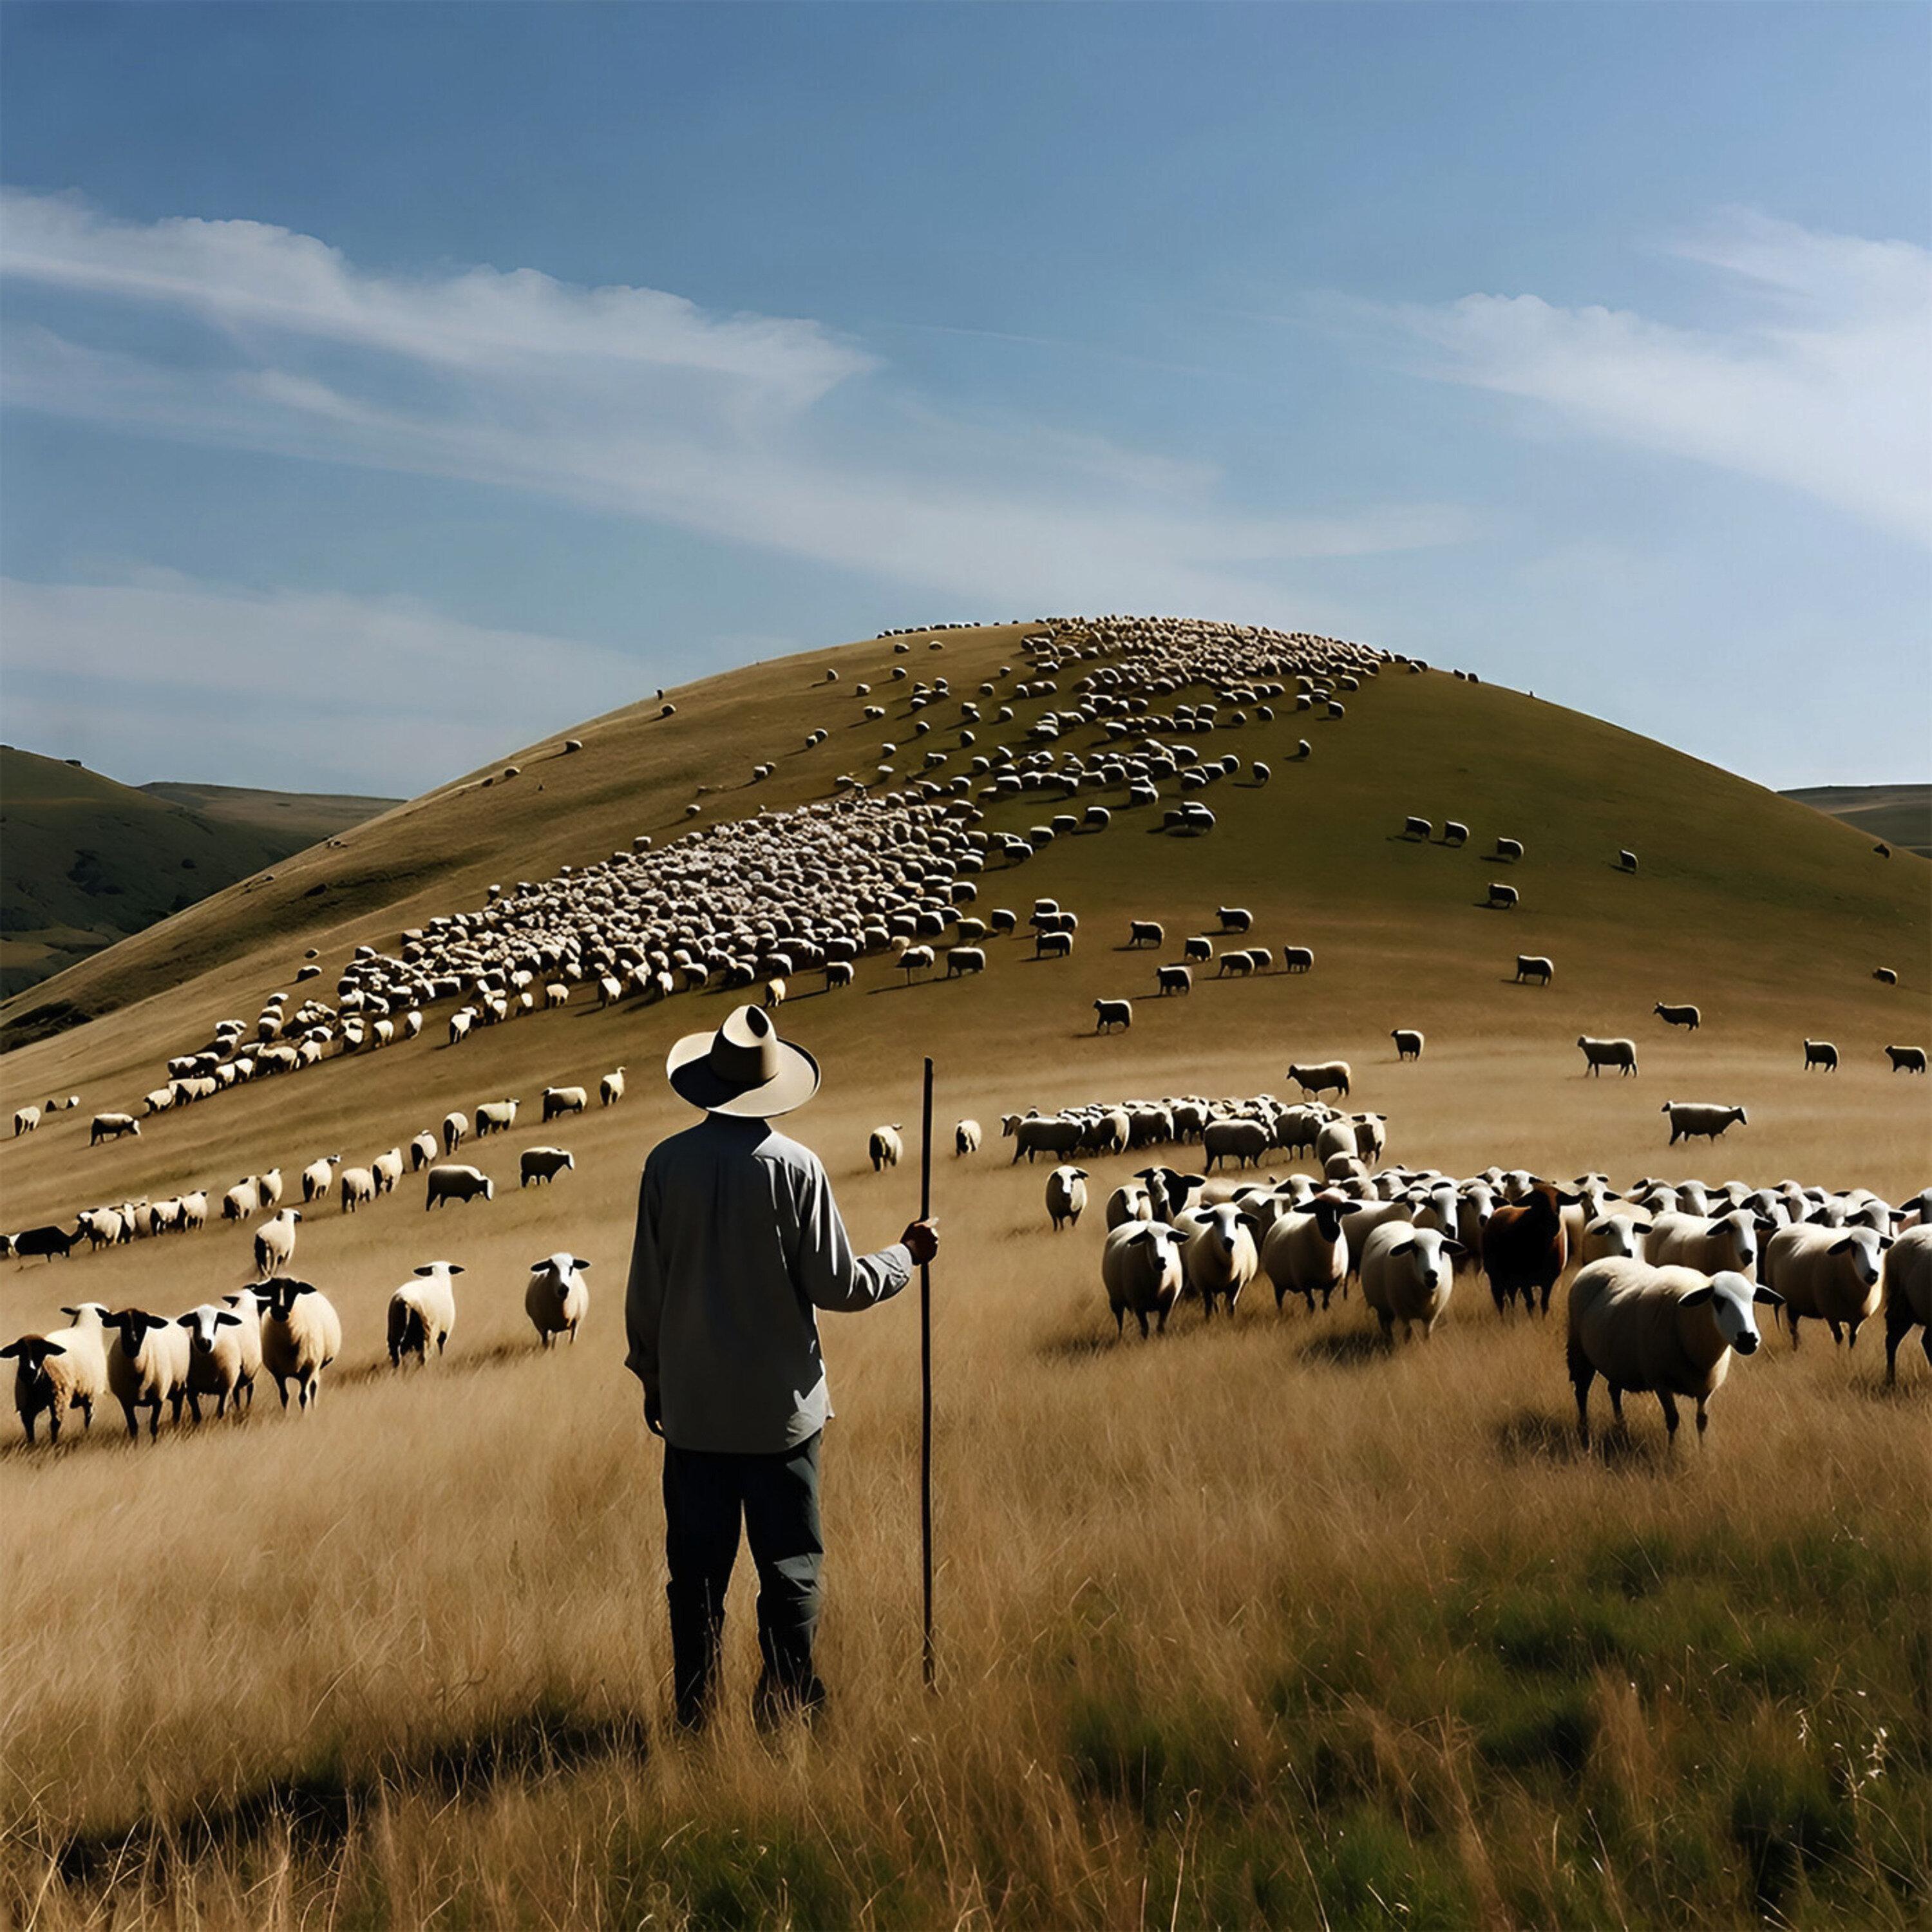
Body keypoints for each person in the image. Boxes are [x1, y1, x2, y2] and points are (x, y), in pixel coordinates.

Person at [624, 1002, 938, 1730]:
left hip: (696, 1417)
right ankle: (787, 1706)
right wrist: (905, 1256)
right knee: (791, 1569)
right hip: (782, 1418)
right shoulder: (797, 1168)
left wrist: (654, 1379)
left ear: (708, 1082)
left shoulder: (666, 1165)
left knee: (696, 1578)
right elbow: (839, 1285)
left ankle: (696, 1717)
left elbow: (647, 1289)